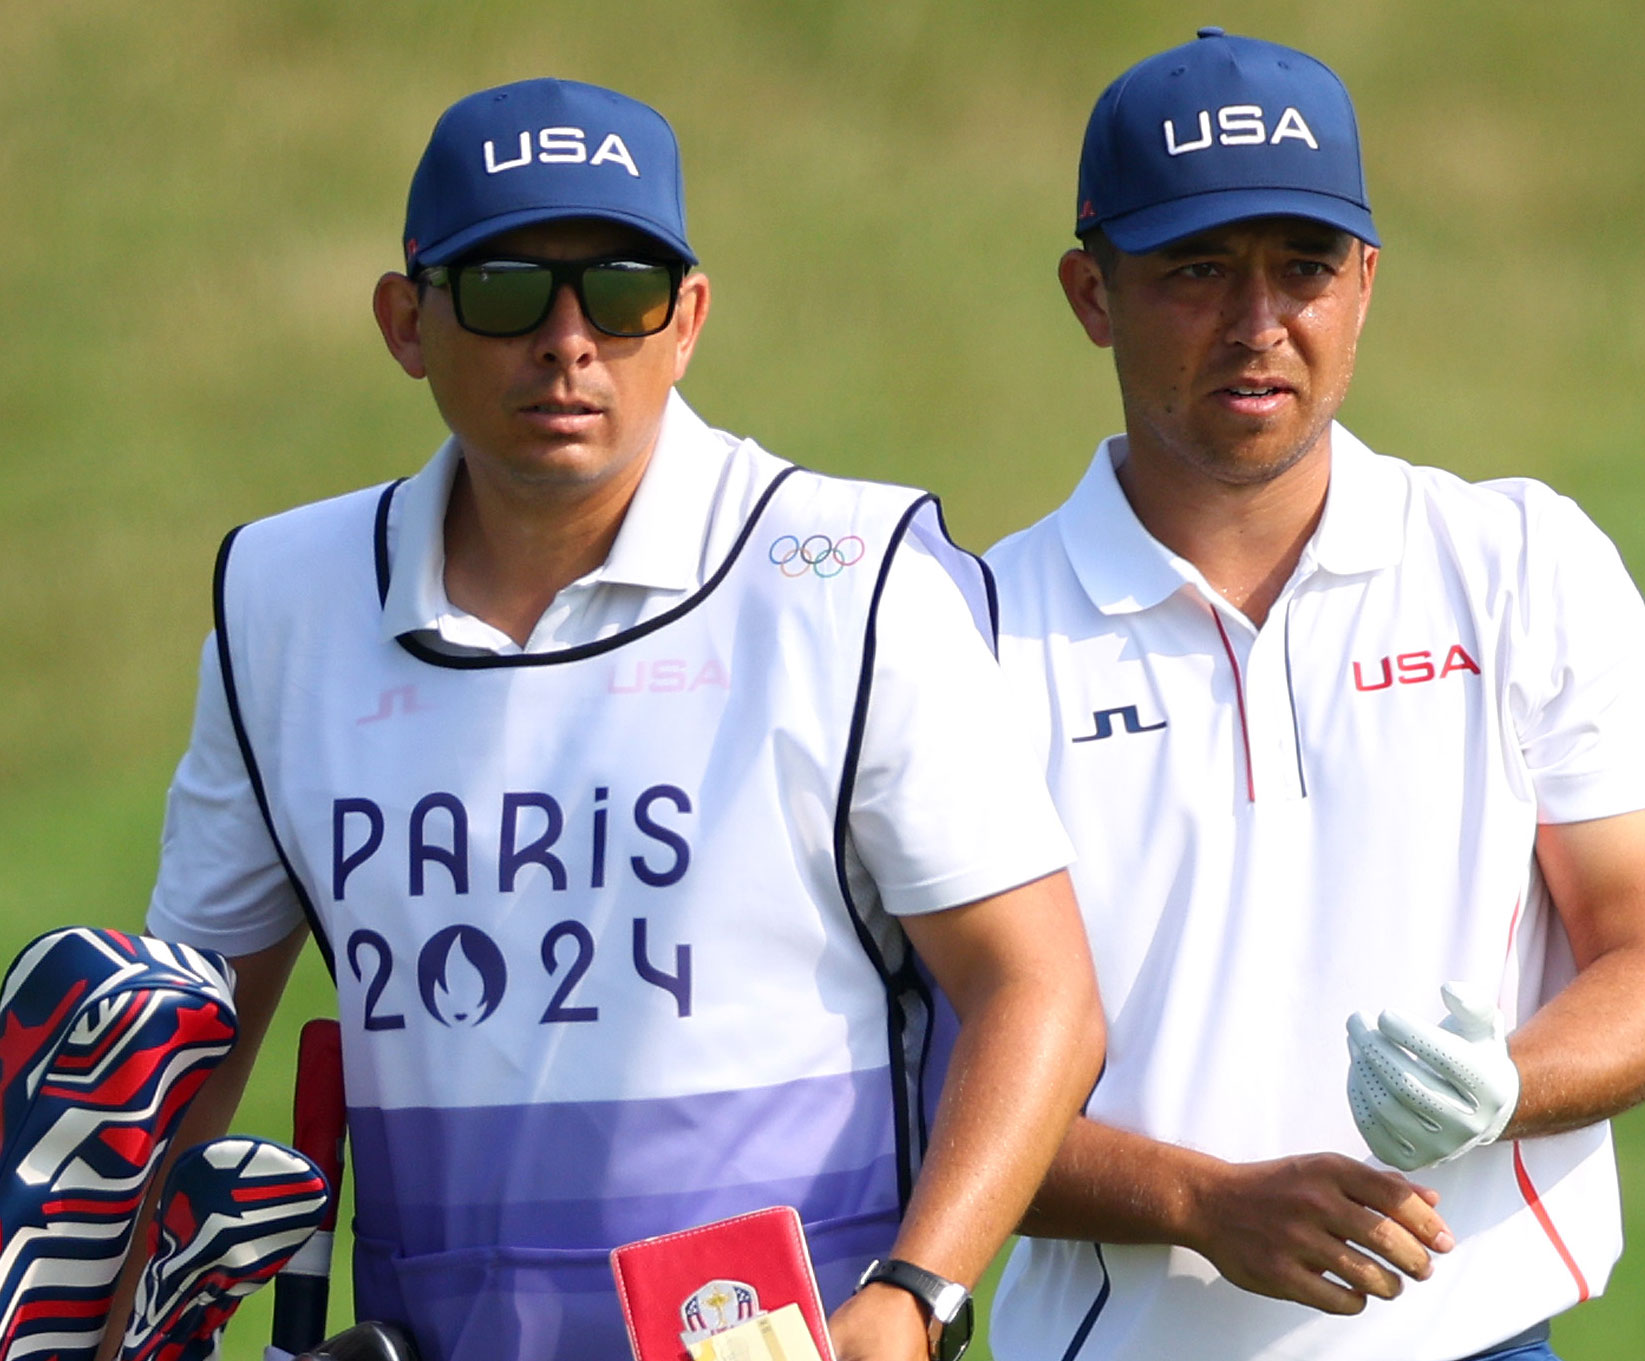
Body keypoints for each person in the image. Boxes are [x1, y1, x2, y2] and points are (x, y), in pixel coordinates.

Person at [128, 78, 1104, 1361]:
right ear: (403, 321)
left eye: (624, 289)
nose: (569, 339)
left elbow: (1037, 991)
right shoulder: (282, 599)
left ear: (687, 317)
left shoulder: (850, 574)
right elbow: (177, 1035)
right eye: (505, 289)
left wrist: (915, 1294)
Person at [986, 29, 1645, 1361]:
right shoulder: (967, 636)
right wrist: (1195, 1203)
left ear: (1366, 282)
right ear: (1092, 294)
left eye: (1304, 267)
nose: (1259, 323)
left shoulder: (1519, 564)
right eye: (1196, 270)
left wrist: (1506, 1085)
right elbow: (923, 1100)